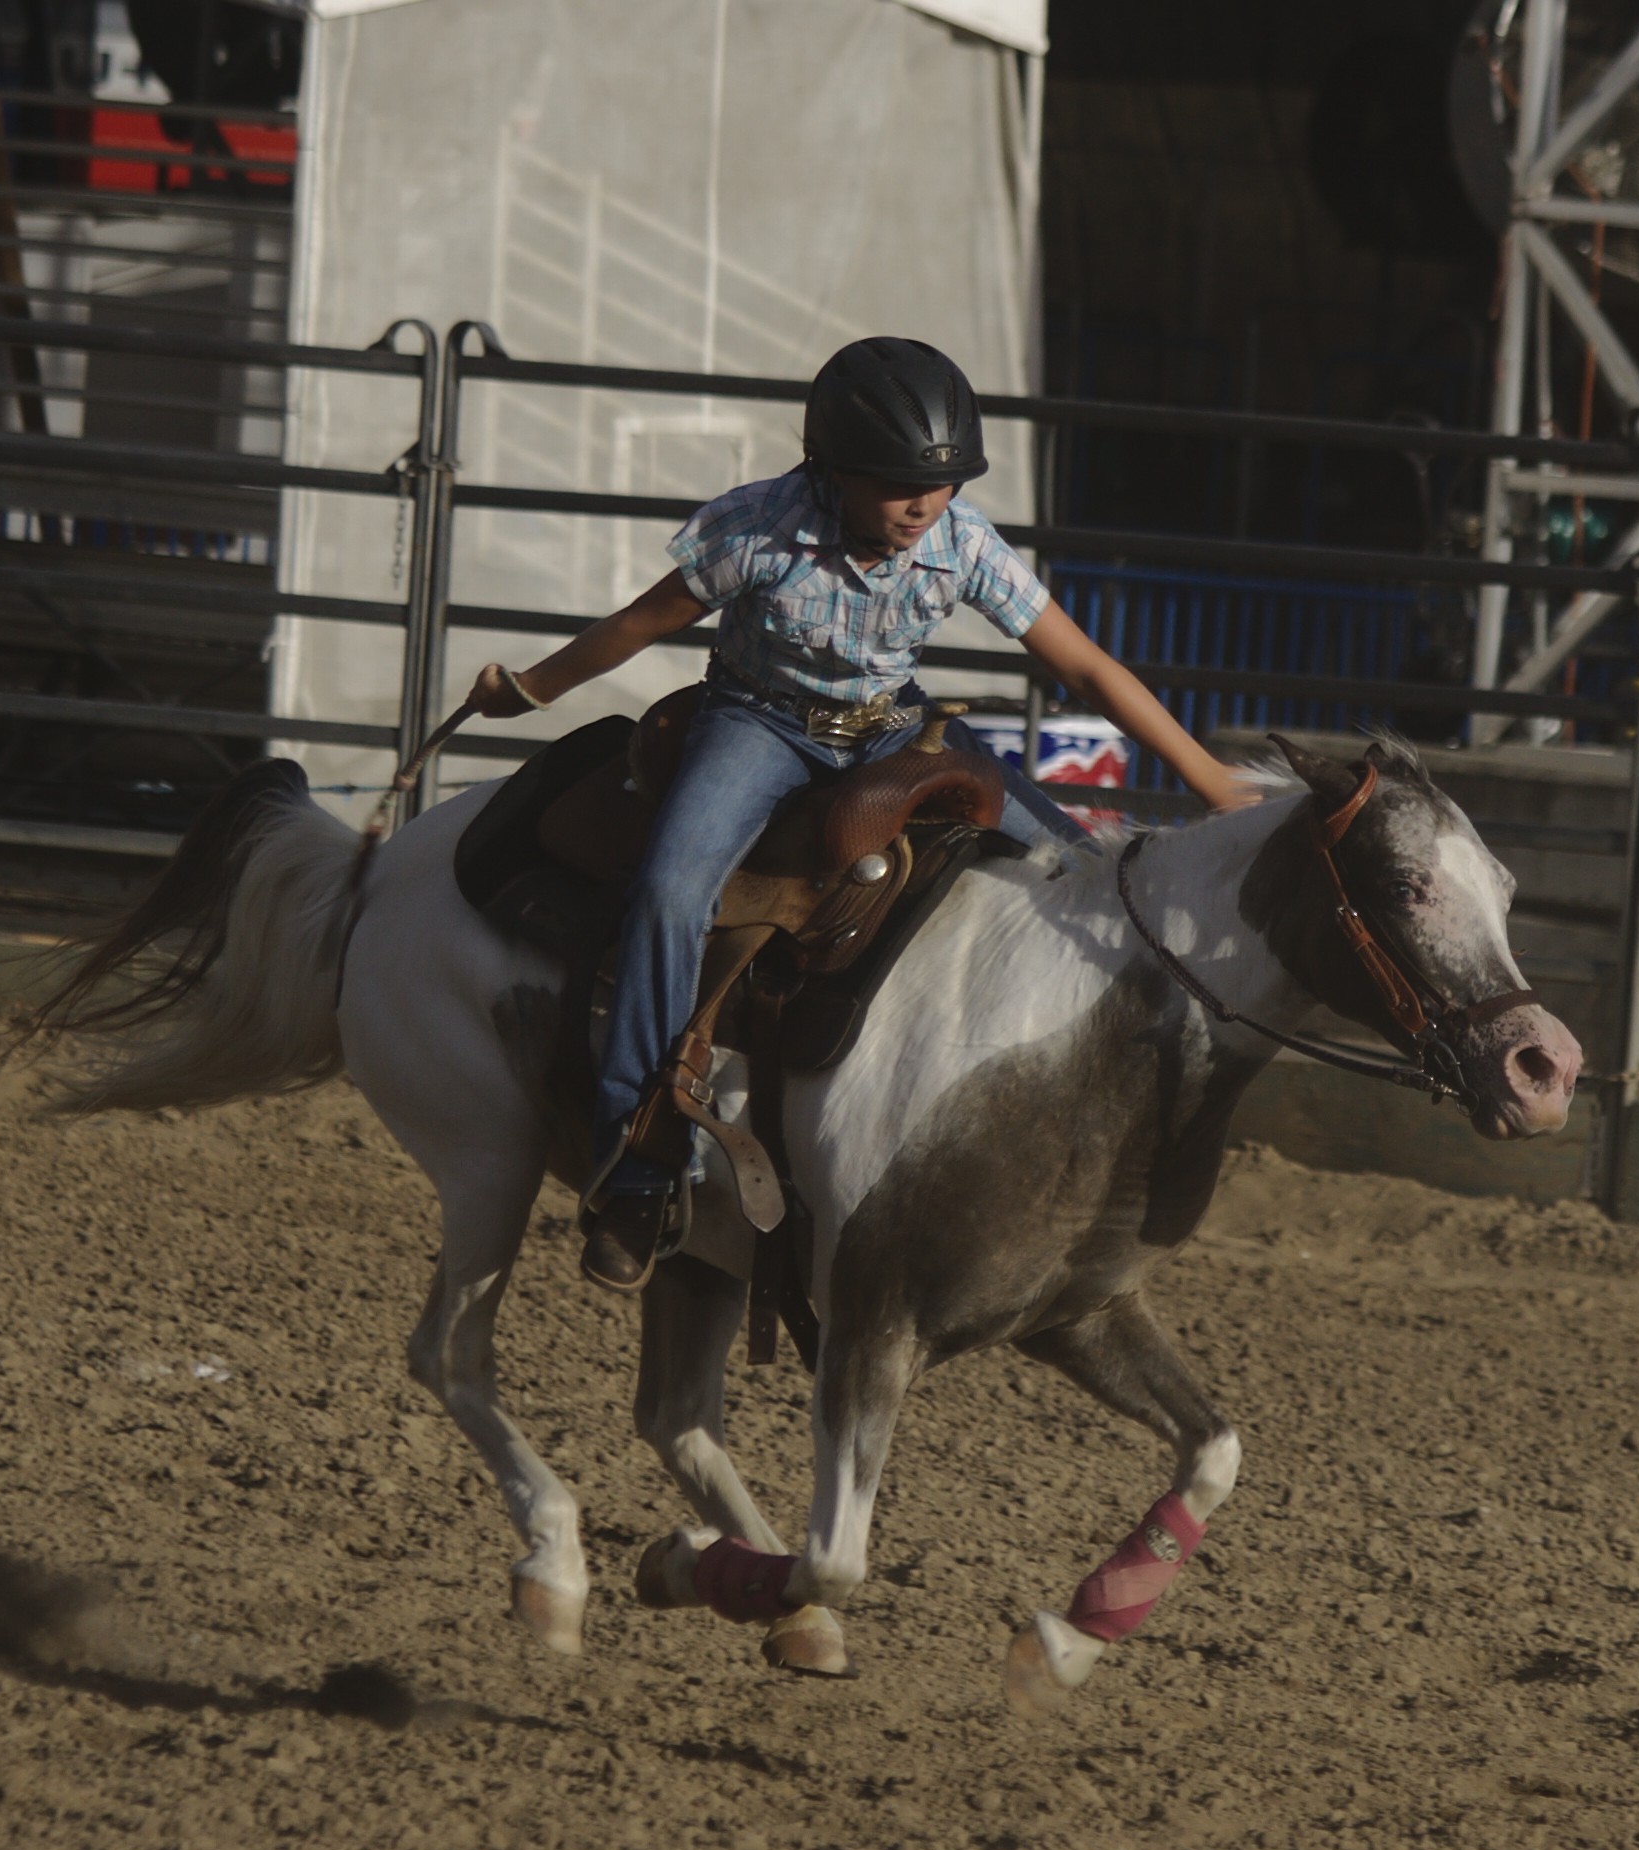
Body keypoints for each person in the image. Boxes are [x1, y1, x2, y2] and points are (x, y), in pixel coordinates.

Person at [458, 336, 1254, 1291]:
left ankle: (1097, 1105)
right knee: (672, 891)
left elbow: (1082, 663)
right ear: (831, 470)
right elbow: (643, 621)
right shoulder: (756, 526)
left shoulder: (962, 543)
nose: (923, 505)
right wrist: (533, 689)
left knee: (1070, 858)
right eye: (896, 485)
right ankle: (637, 1158)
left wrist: (1209, 781)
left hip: (891, 726)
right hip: (756, 720)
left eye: (944, 484)